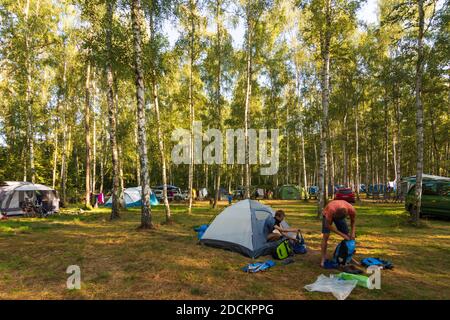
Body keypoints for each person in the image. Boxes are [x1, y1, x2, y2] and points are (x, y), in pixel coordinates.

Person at [320, 200, 356, 268]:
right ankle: (323, 258)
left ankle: (348, 256)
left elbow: (353, 222)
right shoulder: (330, 211)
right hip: (327, 214)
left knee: (348, 235)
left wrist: (353, 233)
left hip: (338, 213)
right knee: (326, 235)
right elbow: (328, 225)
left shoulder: (351, 209)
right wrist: (342, 235)